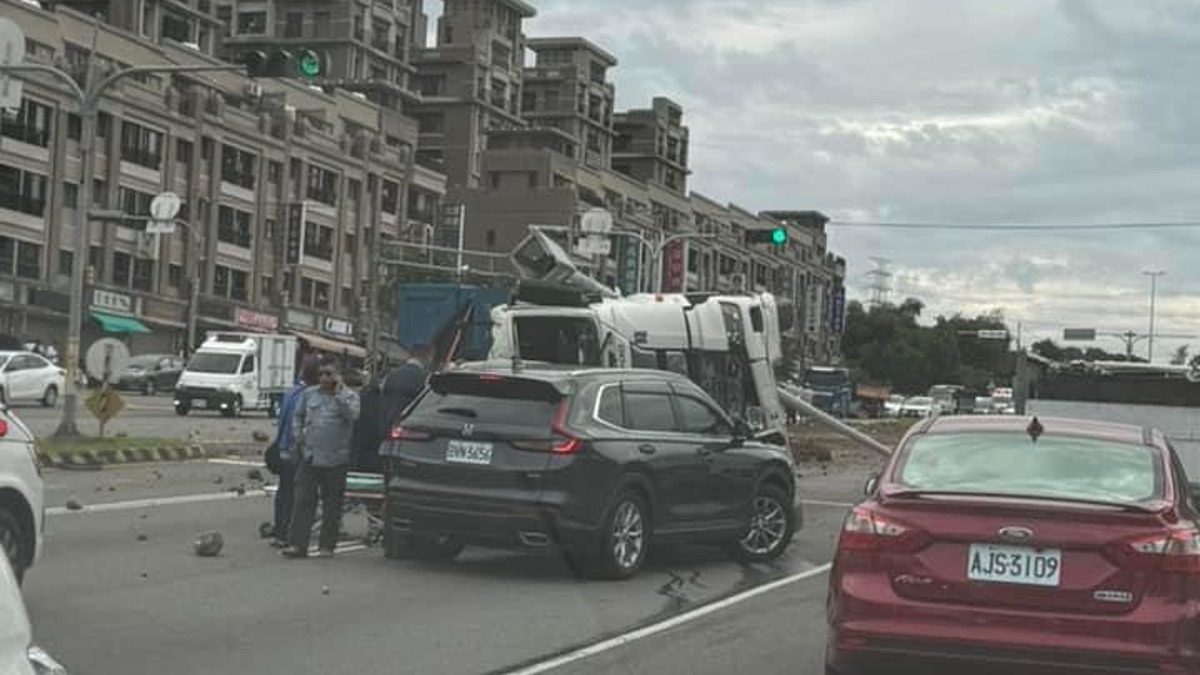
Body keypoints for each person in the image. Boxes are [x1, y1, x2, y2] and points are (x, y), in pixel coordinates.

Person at [282, 359, 361, 559]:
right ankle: (297, 544)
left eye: (329, 373)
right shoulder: (309, 394)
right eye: (322, 374)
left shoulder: (349, 396)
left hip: (336, 459)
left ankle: (327, 545)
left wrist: (339, 394)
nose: (324, 377)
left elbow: (352, 416)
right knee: (303, 501)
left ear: (338, 376)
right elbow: (298, 416)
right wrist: (299, 436)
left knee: (332, 504)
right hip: (310, 456)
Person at [267, 356, 320, 547]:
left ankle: (280, 531)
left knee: (284, 492)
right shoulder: (309, 396)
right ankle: (291, 533)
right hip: (297, 450)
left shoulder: (292, 392)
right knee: (299, 494)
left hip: (283, 448)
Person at [378, 344, 430, 439]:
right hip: (407, 430)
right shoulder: (425, 378)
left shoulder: (391, 375)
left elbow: (381, 398)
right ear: (426, 357)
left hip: (384, 425)